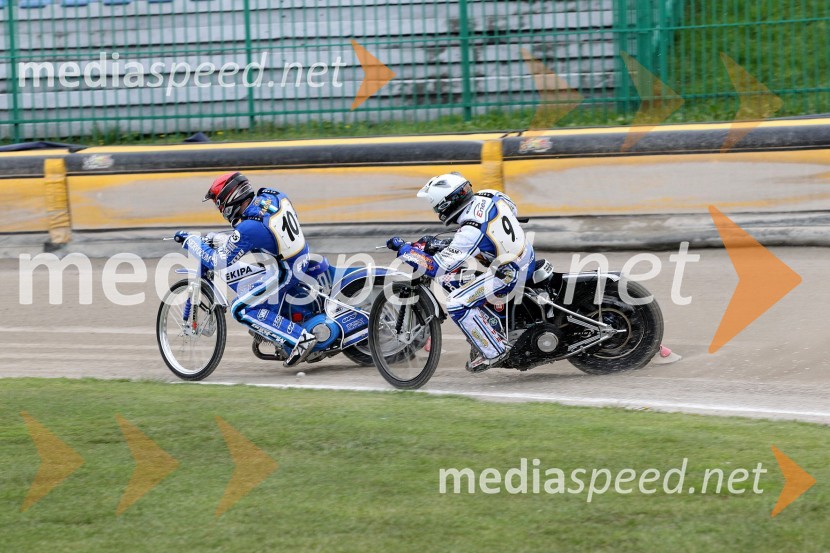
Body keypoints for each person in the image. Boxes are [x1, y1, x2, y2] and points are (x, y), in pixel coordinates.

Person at [387, 172, 535, 372]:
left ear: (445, 204)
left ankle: (494, 351)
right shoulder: (490, 195)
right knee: (462, 275)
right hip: (525, 254)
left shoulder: (469, 231)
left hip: (509, 273)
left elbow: (436, 268)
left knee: (457, 303)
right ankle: (489, 327)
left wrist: (405, 251)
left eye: (435, 205)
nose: (435, 210)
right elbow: (511, 211)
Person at [173, 172, 317, 367]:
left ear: (229, 200)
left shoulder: (248, 228)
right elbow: (259, 234)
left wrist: (192, 241)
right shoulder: (271, 195)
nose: (220, 210)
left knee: (241, 308)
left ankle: (300, 338)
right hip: (300, 254)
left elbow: (218, 261)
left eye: (219, 204)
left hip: (286, 271)